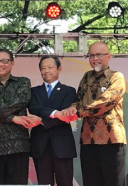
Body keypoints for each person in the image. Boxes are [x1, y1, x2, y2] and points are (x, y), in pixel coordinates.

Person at [62, 41, 126, 186]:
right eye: (91, 55)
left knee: (113, 182)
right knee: (91, 182)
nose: (94, 58)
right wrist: (72, 108)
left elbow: (105, 102)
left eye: (98, 55)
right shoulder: (86, 77)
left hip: (111, 139)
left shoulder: (117, 77)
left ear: (109, 56)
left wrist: (78, 112)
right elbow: (78, 99)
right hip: (88, 139)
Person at [0, 49, 41, 185]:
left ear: (12, 63)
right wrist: (13, 118)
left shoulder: (23, 82)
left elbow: (19, 102)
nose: (1, 64)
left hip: (17, 145)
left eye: (5, 61)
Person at [28, 55, 77, 186]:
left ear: (59, 69)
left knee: (65, 182)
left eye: (50, 67)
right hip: (40, 145)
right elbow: (34, 108)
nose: (46, 71)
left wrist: (42, 121)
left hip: (62, 145)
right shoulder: (33, 91)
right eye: (43, 68)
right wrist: (56, 113)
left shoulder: (69, 91)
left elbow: (65, 115)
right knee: (44, 183)